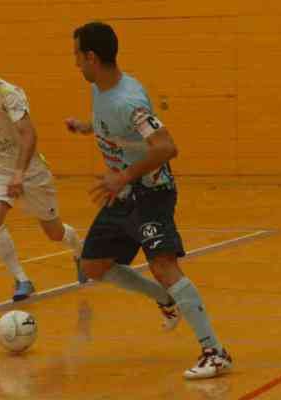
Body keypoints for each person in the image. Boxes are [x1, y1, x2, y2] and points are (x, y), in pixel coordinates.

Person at [65, 22, 232, 379]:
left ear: (91, 57)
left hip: (151, 192)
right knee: (92, 265)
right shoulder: (102, 90)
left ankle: (215, 351)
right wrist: (87, 127)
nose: (76, 63)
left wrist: (123, 176)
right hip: (122, 194)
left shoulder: (130, 100)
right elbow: (115, 125)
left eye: (78, 55)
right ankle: (163, 297)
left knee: (163, 264)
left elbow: (166, 147)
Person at [0, 46, 85, 301]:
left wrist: (19, 173)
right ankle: (22, 279)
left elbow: (28, 134)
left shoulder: (10, 95)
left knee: (54, 233)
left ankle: (79, 251)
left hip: (30, 170)